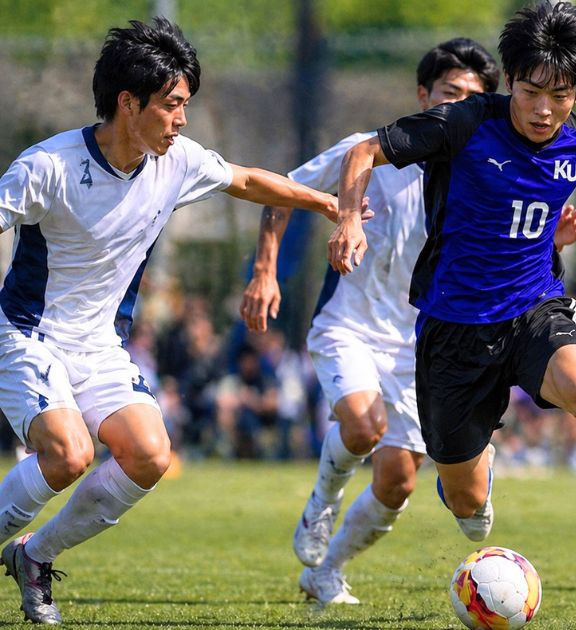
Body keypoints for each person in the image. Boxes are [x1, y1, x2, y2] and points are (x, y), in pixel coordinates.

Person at [328, 1, 576, 599]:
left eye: (560, 95)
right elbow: (362, 152)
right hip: (453, 328)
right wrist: (349, 219)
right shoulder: (465, 122)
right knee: (466, 500)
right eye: (531, 91)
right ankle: (468, 484)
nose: (543, 108)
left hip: (535, 308)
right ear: (510, 81)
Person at [0, 18, 344, 624]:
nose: (182, 119)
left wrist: (320, 201)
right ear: (128, 104)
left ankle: (35, 557)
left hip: (100, 345)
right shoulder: (46, 167)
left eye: (185, 104)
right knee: (68, 455)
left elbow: (244, 179)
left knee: (150, 455)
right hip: (28, 334)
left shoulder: (175, 161)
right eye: (173, 105)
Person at [240, 37, 576, 606]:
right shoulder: (369, 153)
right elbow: (282, 196)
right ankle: (322, 500)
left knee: (398, 481)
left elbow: (514, 255)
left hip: (423, 342)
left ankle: (329, 572)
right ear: (423, 95)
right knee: (362, 425)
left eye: (470, 98)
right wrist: (265, 271)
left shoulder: (491, 169)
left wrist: (551, 238)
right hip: (347, 325)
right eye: (448, 93)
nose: (456, 106)